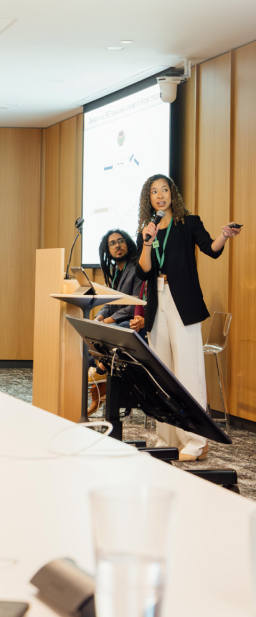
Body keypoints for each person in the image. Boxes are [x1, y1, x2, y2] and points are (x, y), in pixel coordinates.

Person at [135, 173, 242, 461]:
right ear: (149, 199)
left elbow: (211, 249)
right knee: (162, 374)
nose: (160, 195)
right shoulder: (148, 229)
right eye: (154, 192)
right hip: (157, 303)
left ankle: (196, 442)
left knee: (188, 371)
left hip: (183, 302)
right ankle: (166, 437)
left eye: (165, 190)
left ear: (173, 194)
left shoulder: (188, 222)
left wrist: (224, 236)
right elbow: (143, 271)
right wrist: (147, 241)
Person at [94, 229, 143, 326]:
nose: (117, 245)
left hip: (130, 321)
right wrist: (98, 318)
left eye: (121, 241)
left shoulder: (137, 268)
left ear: (128, 244)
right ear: (108, 251)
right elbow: (110, 303)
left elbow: (136, 304)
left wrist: (107, 321)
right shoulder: (116, 272)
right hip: (117, 321)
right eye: (112, 243)